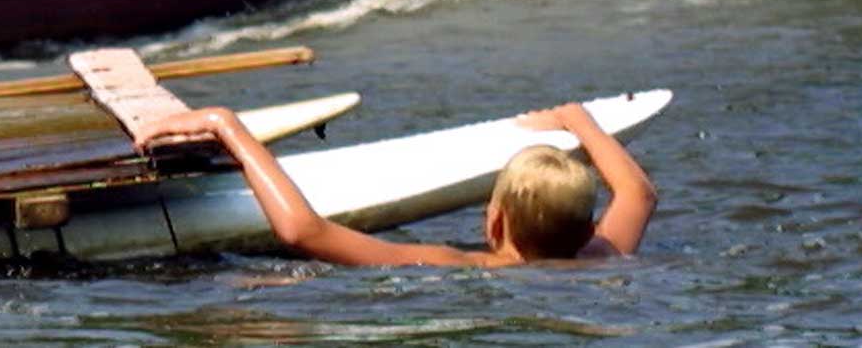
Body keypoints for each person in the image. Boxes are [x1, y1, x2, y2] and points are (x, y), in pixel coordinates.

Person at [135, 102, 657, 267]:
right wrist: (580, 121)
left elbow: (303, 232)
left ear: (493, 219)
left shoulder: (458, 264)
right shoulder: (600, 255)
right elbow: (638, 194)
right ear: (588, 224)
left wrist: (227, 127)